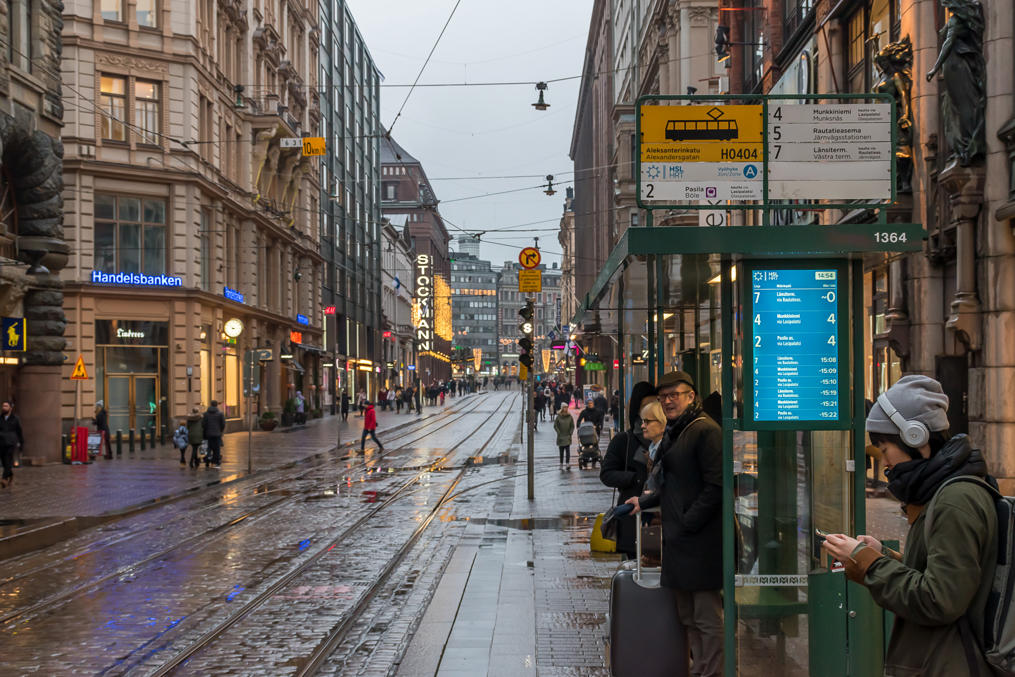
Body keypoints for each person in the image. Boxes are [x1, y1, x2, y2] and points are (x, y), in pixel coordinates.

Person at [822, 375, 997, 676]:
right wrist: (882, 557)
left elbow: (939, 600)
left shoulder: (954, 499)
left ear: (914, 437)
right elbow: (942, 575)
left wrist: (869, 564)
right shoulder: (944, 492)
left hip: (950, 665)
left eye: (884, 448)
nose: (884, 462)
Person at [625, 370, 723, 677]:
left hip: (701, 542)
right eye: (663, 397)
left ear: (691, 396)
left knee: (707, 617)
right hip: (680, 541)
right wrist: (645, 502)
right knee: (688, 615)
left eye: (674, 395)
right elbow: (672, 484)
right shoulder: (677, 431)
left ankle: (711, 672)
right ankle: (699, 669)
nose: (668, 401)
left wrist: (686, 522)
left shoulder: (705, 430)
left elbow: (717, 487)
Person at [599, 382, 656, 559]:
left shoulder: (669, 439)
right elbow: (606, 474)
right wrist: (634, 478)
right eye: (647, 406)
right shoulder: (624, 440)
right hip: (633, 516)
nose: (652, 410)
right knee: (636, 568)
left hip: (660, 517)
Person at [0, 401, 24, 488]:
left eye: (6, 406)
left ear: (10, 408)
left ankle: (4, 478)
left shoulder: (15, 419)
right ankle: (10, 474)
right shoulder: (0, 418)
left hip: (11, 443)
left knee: (8, 460)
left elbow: (19, 432)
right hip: (1, 443)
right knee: (3, 461)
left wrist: (21, 443)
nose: (4, 407)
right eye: (3, 406)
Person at [201, 400, 226, 468]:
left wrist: (206, 430)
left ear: (210, 404)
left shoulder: (205, 414)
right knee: (217, 449)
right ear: (217, 405)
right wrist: (220, 431)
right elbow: (223, 424)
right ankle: (216, 462)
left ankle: (208, 460)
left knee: (208, 448)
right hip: (217, 434)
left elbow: (203, 424)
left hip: (207, 434)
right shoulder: (220, 414)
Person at [553, 403, 575, 468]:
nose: (565, 409)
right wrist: (558, 432)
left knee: (567, 451)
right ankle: (561, 463)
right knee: (561, 451)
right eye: (564, 407)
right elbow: (555, 425)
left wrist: (570, 433)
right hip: (561, 436)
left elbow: (572, 426)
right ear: (562, 408)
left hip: (567, 435)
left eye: (566, 407)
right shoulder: (558, 416)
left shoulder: (569, 416)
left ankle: (567, 463)